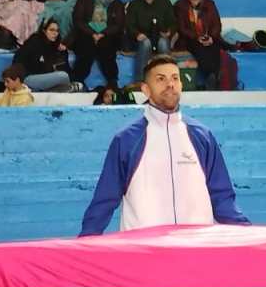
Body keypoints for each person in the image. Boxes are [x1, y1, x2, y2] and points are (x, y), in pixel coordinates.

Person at [79, 55, 250, 236]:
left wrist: (250, 238)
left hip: (195, 252)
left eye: (175, 78)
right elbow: (104, 200)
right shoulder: (127, 140)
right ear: (145, 89)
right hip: (145, 254)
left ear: (181, 85)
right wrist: (85, 241)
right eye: (161, 79)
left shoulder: (202, 136)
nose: (170, 84)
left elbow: (223, 198)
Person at [72, 0, 125, 90]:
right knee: (86, 46)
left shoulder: (116, 2)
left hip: (107, 34)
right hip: (86, 32)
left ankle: (112, 81)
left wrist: (103, 33)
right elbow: (78, 19)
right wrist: (92, 34)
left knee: (107, 46)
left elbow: (119, 24)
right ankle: (77, 81)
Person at [174, 0, 223, 89]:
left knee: (215, 47)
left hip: (208, 37)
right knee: (200, 48)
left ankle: (214, 78)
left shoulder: (210, 4)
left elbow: (217, 24)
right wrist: (197, 37)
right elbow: (182, 28)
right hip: (189, 39)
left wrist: (211, 37)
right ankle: (211, 77)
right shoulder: (181, 5)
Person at [126, 0, 176, 82]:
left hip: (160, 36)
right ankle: (140, 81)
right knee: (145, 43)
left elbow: (173, 22)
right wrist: (137, 34)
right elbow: (129, 25)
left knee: (163, 43)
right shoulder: (134, 5)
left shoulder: (164, 2)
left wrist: (169, 32)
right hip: (141, 39)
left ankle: (168, 80)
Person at [13, 19, 72, 92]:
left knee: (64, 84)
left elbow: (65, 68)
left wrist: (64, 52)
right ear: (44, 31)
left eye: (57, 31)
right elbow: (20, 61)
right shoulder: (34, 41)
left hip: (40, 78)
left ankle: (41, 91)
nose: (55, 33)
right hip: (27, 78)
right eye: (51, 30)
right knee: (63, 76)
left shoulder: (53, 45)